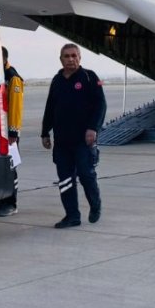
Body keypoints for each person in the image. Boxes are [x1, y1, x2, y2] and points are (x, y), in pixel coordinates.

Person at [41, 43, 105, 228]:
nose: (71, 59)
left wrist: (93, 128)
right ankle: (72, 216)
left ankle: (95, 204)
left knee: (86, 175)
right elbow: (50, 107)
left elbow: (101, 105)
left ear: (80, 58)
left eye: (74, 56)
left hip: (83, 140)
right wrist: (45, 132)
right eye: (67, 56)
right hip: (62, 142)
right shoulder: (57, 80)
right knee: (65, 180)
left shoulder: (89, 77)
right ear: (61, 59)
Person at [0, 46, 24, 217]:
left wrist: (13, 133)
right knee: (1, 168)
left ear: (4, 59)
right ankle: (1, 200)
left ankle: (11, 203)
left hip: (9, 133)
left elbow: (15, 108)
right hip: (0, 131)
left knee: (10, 168)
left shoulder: (12, 78)